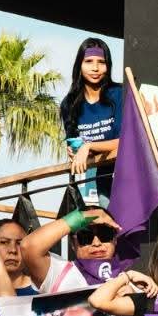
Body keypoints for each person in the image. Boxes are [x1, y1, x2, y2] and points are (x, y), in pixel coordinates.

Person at [60, 38, 123, 201]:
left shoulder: (120, 94)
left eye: (101, 62)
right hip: (99, 180)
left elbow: (126, 141)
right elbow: (74, 145)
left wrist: (89, 146)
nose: (95, 68)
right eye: (88, 61)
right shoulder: (69, 104)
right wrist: (73, 151)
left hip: (127, 173)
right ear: (79, 65)